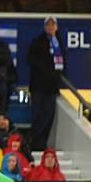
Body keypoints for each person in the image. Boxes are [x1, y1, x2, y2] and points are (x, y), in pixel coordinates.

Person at [28, 17, 67, 151]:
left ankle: (41, 142)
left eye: (53, 25)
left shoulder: (59, 42)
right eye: (48, 25)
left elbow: (63, 63)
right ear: (45, 27)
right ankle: (33, 142)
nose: (50, 27)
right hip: (39, 87)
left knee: (48, 116)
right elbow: (31, 59)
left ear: (56, 27)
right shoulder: (38, 42)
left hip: (52, 88)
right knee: (38, 115)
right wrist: (47, 71)